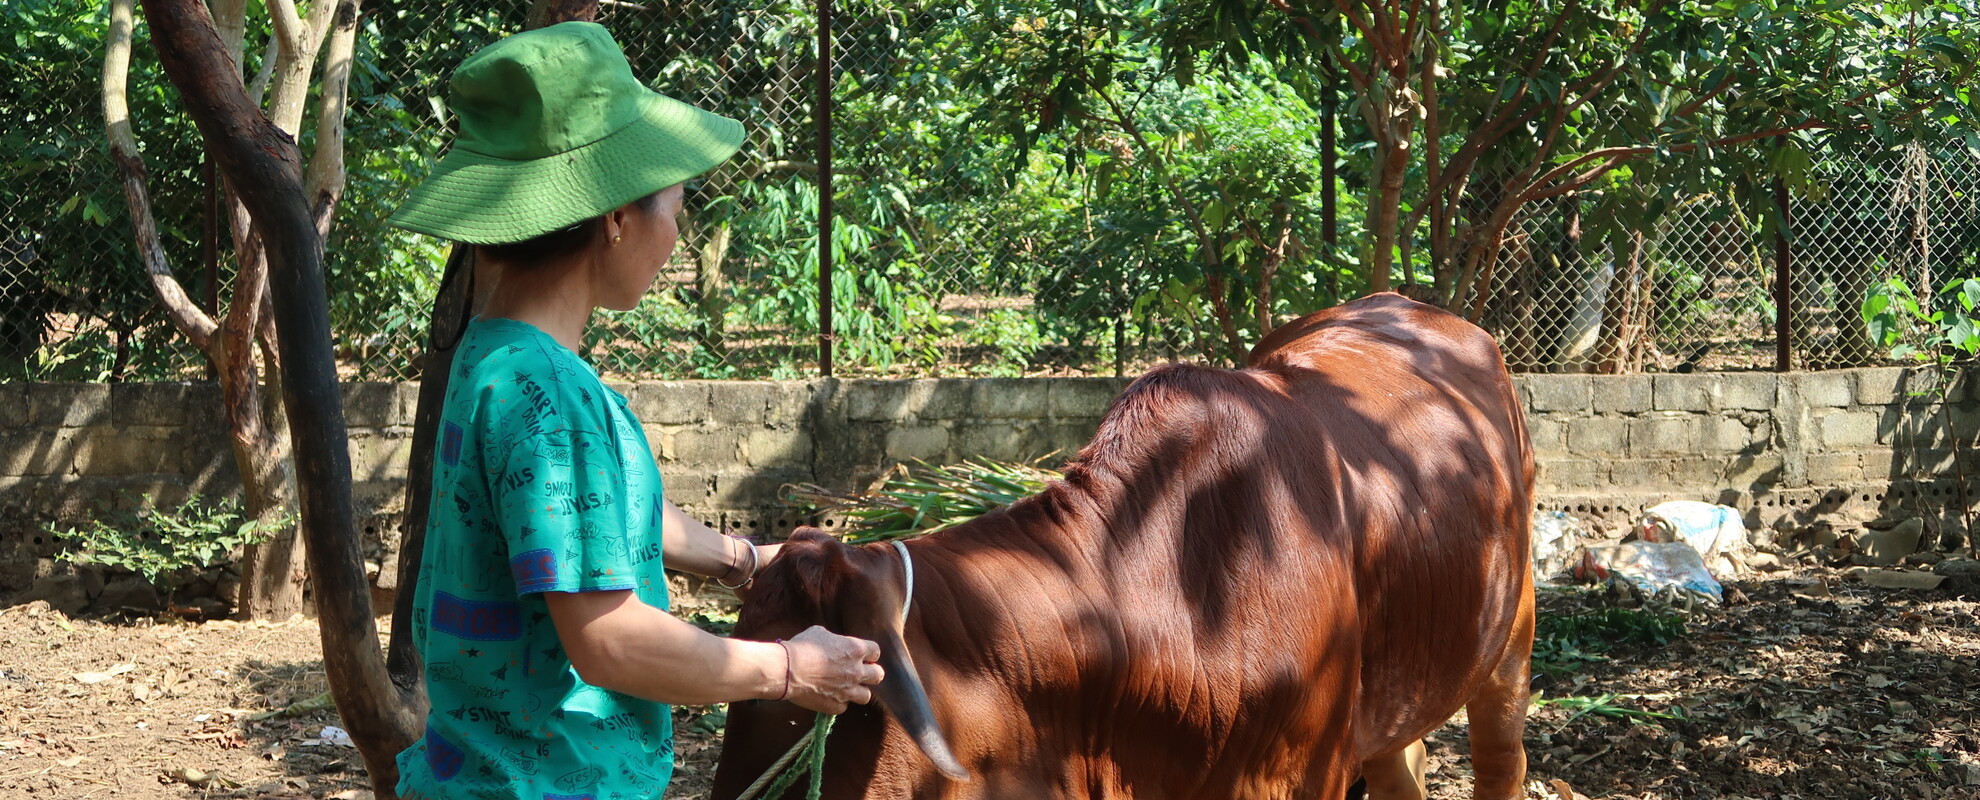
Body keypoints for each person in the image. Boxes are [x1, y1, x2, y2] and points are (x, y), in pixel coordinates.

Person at [384, 22, 883, 800]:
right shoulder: (554, 404)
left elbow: (583, 520)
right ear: (614, 216)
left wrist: (742, 559)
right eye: (675, 205)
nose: (678, 234)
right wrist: (788, 669)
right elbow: (609, 641)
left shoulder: (492, 361)